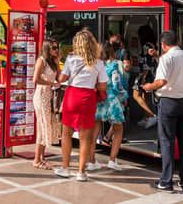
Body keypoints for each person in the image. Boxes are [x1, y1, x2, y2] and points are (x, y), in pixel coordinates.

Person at [142, 31, 183, 193]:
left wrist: (148, 87)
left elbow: (161, 81)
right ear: (177, 41)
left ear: (163, 45)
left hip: (169, 103)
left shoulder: (166, 59)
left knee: (167, 142)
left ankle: (166, 181)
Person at [54, 31, 108, 182]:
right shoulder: (98, 63)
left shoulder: (71, 59)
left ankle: (65, 168)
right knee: (85, 138)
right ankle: (81, 172)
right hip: (88, 98)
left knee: (66, 134)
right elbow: (103, 86)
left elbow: (62, 78)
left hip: (72, 96)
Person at [90, 42, 128, 171]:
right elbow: (117, 85)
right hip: (111, 100)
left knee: (94, 131)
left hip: (98, 100)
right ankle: (112, 160)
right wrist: (124, 96)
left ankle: (91, 161)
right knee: (118, 129)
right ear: (111, 51)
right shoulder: (114, 64)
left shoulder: (95, 65)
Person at [32, 38, 61, 170]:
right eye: (54, 48)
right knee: (42, 126)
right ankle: (37, 159)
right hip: (41, 95)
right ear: (47, 49)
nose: (56, 50)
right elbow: (35, 79)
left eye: (57, 47)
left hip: (49, 96)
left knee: (46, 125)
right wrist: (51, 84)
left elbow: (59, 78)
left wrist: (58, 61)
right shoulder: (41, 61)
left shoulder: (53, 62)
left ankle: (42, 158)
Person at [133, 42, 159, 129]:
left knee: (136, 95)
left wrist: (143, 78)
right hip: (152, 77)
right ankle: (146, 118)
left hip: (144, 77)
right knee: (145, 97)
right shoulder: (153, 54)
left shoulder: (144, 55)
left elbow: (145, 68)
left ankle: (152, 116)